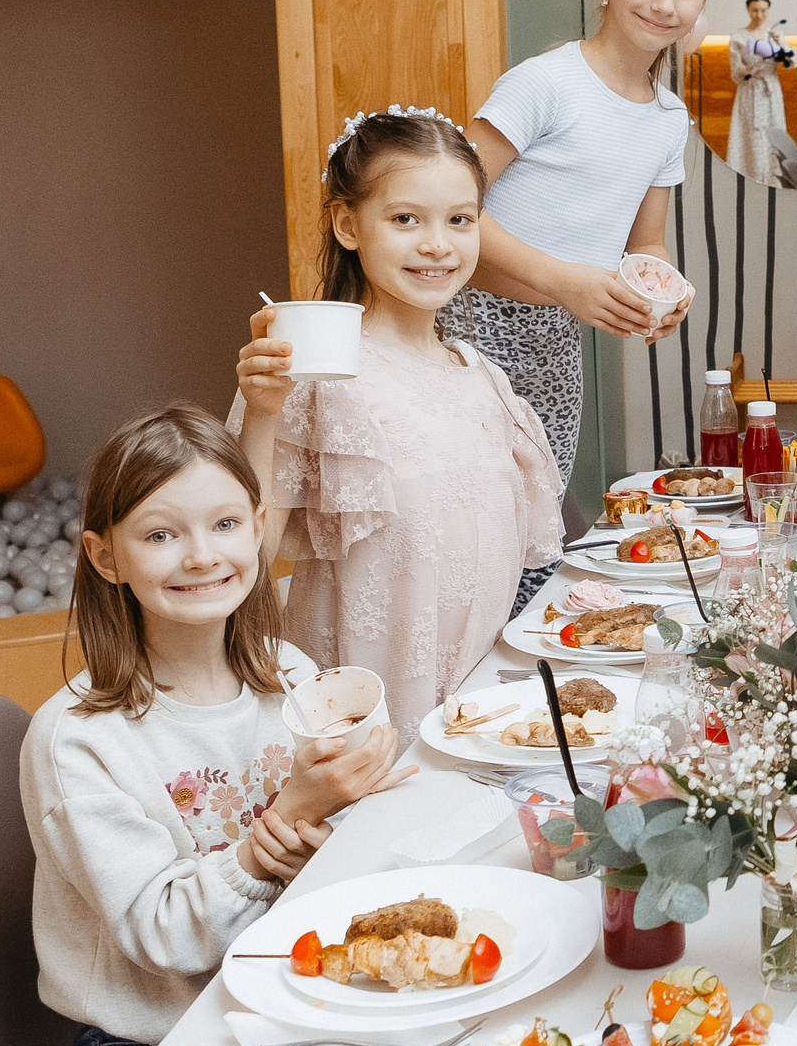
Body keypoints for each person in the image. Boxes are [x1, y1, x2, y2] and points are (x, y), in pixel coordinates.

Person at [24, 405, 413, 1046]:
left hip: (287, 991)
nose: (202, 555)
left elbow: (331, 863)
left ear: (259, 528)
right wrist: (282, 828)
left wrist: (339, 821)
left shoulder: (291, 675)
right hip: (154, 1043)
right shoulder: (77, 741)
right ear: (105, 557)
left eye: (225, 524)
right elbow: (162, 932)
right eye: (161, 534)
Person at [235, 108, 565, 739]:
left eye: (460, 219)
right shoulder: (316, 374)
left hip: (477, 718)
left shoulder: (484, 379)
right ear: (348, 224)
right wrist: (263, 413)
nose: (437, 243)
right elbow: (246, 557)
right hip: (362, 724)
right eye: (406, 219)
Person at [445, 0, 718, 529]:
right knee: (469, 522)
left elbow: (644, 242)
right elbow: (448, 210)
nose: (665, 2)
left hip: (558, 341)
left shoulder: (667, 118)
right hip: (468, 327)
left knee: (537, 518)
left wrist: (662, 291)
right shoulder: (544, 84)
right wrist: (564, 281)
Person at [727, 0, 791, 183]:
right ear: (748, 9)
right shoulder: (738, 37)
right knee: (751, 135)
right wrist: (746, 70)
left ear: (768, 10)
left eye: (763, 10)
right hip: (750, 92)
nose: (760, 15)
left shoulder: (774, 35)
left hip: (771, 91)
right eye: (755, 10)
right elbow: (735, 73)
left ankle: (775, 182)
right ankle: (751, 180)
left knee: (774, 134)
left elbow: (791, 62)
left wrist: (781, 43)